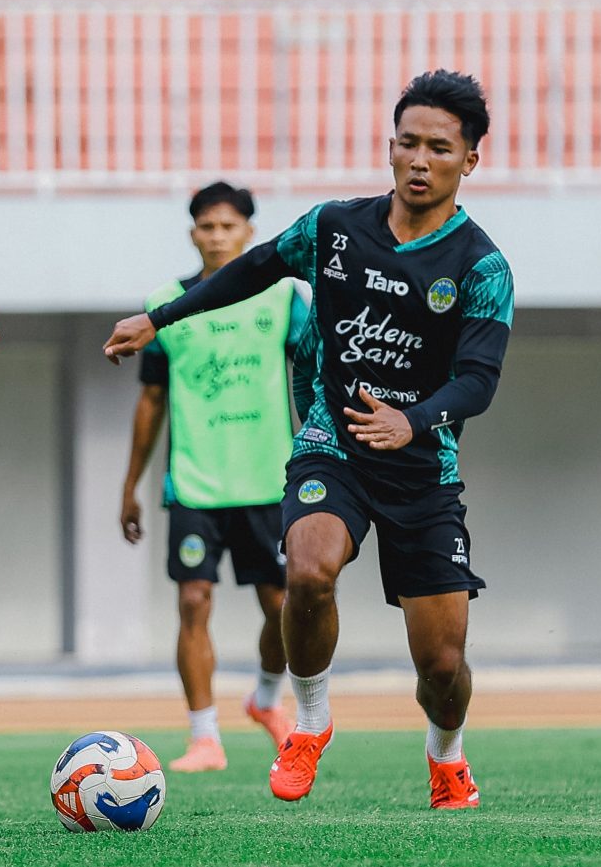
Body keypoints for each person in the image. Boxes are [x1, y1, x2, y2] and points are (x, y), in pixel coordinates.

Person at [105, 70, 512, 811]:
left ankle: (447, 755)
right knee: (309, 569)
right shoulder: (333, 229)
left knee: (443, 665)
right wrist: (159, 318)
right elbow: (253, 269)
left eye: (440, 149)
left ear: (470, 161)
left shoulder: (481, 267)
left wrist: (412, 419)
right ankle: (311, 720)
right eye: (408, 143)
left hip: (424, 467)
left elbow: (479, 382)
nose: (421, 160)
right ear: (390, 147)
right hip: (334, 443)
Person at [120, 181, 312, 772]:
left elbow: (313, 376)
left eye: (229, 226)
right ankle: (205, 736)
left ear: (249, 233)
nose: (218, 236)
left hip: (269, 481)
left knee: (286, 607)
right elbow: (151, 401)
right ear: (193, 233)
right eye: (207, 226)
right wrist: (130, 486)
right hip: (196, 484)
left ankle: (263, 699)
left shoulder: (283, 296)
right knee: (194, 602)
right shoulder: (164, 304)